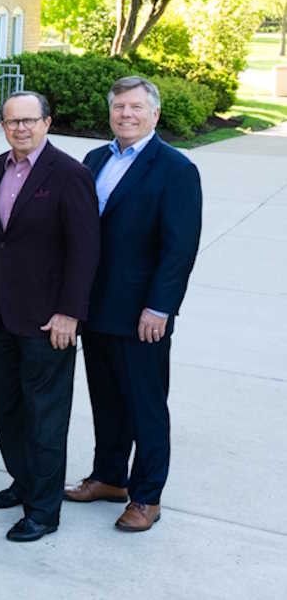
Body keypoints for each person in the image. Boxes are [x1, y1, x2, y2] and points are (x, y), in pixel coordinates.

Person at [66, 76, 202, 533]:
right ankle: (109, 476)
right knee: (105, 399)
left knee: (145, 404)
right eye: (119, 107)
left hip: (142, 313)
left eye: (135, 107)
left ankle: (147, 495)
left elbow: (178, 249)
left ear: (154, 113)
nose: (125, 114)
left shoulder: (176, 170)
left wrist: (160, 308)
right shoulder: (95, 159)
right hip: (96, 307)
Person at [0, 91, 100, 542]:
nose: (20, 129)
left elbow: (86, 251)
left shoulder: (70, 175)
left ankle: (44, 511)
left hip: (49, 321)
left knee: (45, 418)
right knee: (8, 410)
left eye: (30, 120)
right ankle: (23, 481)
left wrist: (71, 312)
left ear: (47, 122)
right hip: (1, 316)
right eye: (12, 122)